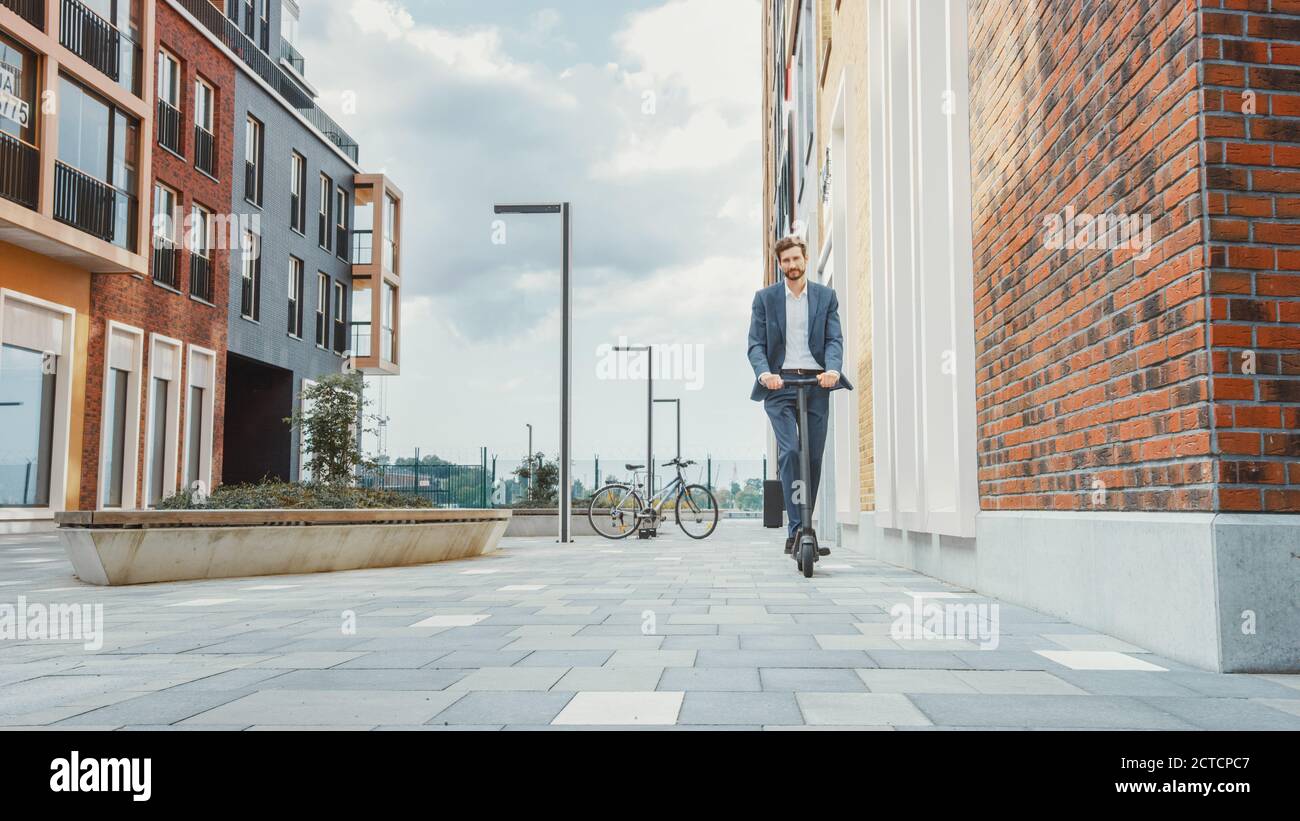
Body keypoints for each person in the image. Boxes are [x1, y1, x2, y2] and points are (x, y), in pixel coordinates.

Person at [747, 234, 853, 554]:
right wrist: (765, 373)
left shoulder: (825, 296)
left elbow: (834, 339)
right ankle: (796, 528)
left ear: (805, 259)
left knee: (814, 457)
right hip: (779, 386)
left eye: (796, 258)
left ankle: (807, 524)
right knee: (791, 452)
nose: (791, 265)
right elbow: (755, 344)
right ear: (780, 265)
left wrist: (832, 369)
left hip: (816, 382)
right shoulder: (765, 299)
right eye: (785, 261)